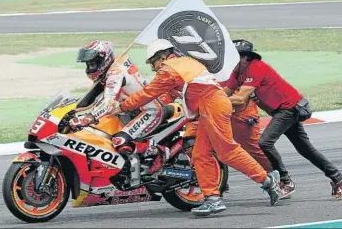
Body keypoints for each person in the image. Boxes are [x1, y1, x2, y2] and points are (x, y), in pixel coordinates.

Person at [109, 38, 283, 216]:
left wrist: (122, 107)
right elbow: (166, 95)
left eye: (153, 63)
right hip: (208, 106)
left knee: (227, 151)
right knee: (200, 155)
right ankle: (213, 199)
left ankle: (268, 180)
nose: (153, 68)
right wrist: (143, 108)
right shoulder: (183, 64)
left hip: (212, 105)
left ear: (162, 57)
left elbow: (149, 92)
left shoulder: (169, 69)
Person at [224, 39, 342, 199]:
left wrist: (213, 100)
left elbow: (240, 98)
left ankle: (285, 182)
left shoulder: (256, 67)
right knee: (305, 149)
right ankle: (338, 179)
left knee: (265, 142)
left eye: (233, 56)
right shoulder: (238, 71)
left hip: (289, 109)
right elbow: (226, 91)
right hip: (281, 111)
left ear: (245, 57)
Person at [68, 40, 169, 175]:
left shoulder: (115, 74)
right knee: (101, 131)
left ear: (104, 59)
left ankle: (159, 151)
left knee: (119, 141)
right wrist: (74, 113)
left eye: (93, 63)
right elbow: (93, 99)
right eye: (88, 64)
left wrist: (88, 118)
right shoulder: (112, 67)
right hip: (131, 110)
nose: (90, 67)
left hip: (149, 111)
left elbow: (108, 104)